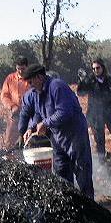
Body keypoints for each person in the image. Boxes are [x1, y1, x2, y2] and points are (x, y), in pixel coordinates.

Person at [19, 64, 94, 199]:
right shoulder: (37, 93)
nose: (30, 86)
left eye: (30, 82)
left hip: (74, 135)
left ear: (39, 77)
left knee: (82, 172)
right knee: (61, 173)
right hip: (57, 137)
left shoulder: (57, 86)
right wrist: (31, 128)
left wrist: (46, 123)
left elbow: (64, 112)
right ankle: (70, 205)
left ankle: (90, 206)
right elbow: (38, 113)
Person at [77, 58, 111, 160]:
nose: (95, 70)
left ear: (102, 68)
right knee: (99, 141)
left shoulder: (109, 80)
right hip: (95, 115)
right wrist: (82, 81)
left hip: (110, 112)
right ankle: (102, 163)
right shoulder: (90, 80)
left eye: (97, 68)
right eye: (93, 69)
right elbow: (80, 92)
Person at [0, 56, 30, 151]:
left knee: (29, 140)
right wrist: (12, 106)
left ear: (27, 67)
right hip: (15, 116)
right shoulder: (10, 78)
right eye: (18, 69)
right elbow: (4, 96)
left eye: (23, 69)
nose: (20, 71)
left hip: (30, 116)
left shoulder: (32, 79)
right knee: (9, 142)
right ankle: (10, 160)